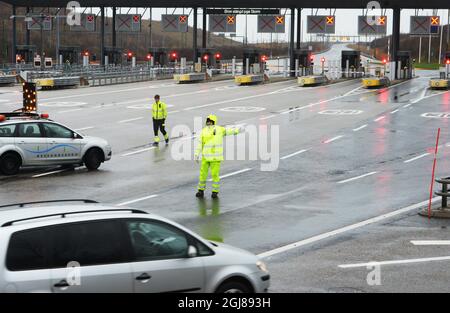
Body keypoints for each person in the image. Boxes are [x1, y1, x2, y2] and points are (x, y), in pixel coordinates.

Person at [194, 115, 240, 199]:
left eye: (210, 121)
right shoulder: (203, 131)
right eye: (208, 121)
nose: (209, 123)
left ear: (213, 122)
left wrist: (237, 131)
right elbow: (199, 143)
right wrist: (196, 154)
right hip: (206, 157)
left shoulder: (219, 129)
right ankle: (201, 190)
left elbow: (228, 131)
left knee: (215, 174)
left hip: (215, 158)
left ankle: (215, 191)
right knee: (202, 174)